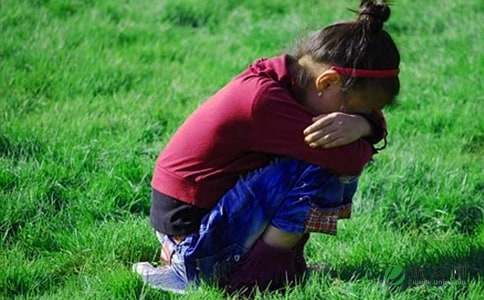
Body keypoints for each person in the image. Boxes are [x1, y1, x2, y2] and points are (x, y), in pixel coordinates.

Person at [133, 0, 399, 294]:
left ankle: (268, 263)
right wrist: (366, 132)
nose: (348, 121)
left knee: (321, 153)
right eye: (351, 111)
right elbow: (350, 160)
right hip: (194, 242)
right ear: (327, 82)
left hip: (193, 228)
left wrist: (365, 125)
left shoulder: (289, 78)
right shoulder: (265, 103)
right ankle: (252, 276)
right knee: (322, 164)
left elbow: (362, 140)